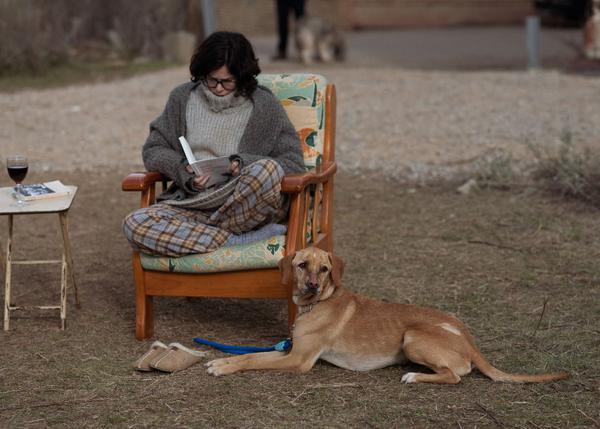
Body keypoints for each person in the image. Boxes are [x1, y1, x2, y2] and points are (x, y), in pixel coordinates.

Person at [123, 31, 305, 257]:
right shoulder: (182, 98)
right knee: (135, 224)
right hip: (194, 203)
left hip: (243, 206)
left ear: (243, 76)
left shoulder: (265, 106)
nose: (218, 88)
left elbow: (293, 163)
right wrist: (183, 171)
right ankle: (237, 240)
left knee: (268, 170)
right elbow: (154, 149)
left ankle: (206, 235)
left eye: (227, 81)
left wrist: (242, 163)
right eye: (212, 79)